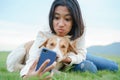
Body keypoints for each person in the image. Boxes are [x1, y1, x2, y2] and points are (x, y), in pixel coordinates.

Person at [10, 0, 118, 79]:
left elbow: (80, 53)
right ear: (52, 17)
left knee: (113, 67)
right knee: (90, 68)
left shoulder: (80, 28)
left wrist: (68, 59)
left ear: (74, 20)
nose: (61, 24)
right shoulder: (44, 32)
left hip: (73, 55)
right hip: (66, 57)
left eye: (67, 19)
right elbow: (33, 58)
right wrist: (26, 76)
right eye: (56, 18)